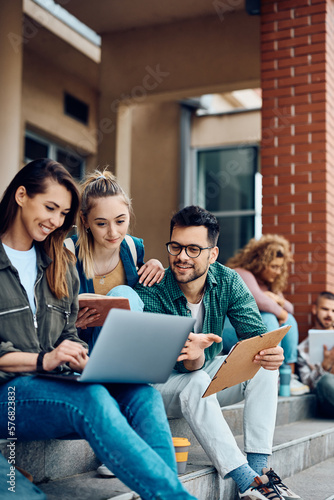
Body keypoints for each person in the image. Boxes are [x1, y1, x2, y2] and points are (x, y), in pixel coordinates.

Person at [0, 159, 198, 500]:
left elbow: (67, 333)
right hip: (12, 393)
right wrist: (44, 360)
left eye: (62, 213)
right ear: (21, 195)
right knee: (91, 398)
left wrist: (81, 356)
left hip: (56, 381)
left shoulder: (57, 261)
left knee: (144, 395)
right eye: (50, 207)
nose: (55, 221)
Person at [135, 205, 301, 500]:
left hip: (199, 375)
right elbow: (178, 365)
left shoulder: (227, 281)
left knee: (262, 362)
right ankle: (249, 482)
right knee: (196, 380)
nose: (182, 256)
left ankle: (260, 470)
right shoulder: (154, 285)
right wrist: (195, 355)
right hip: (157, 386)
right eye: (175, 246)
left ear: (212, 254)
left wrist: (270, 352)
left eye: (193, 249)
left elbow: (255, 336)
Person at [65, 169, 164, 352]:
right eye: (101, 224)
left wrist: (157, 265)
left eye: (120, 221)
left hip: (128, 346)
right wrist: (71, 324)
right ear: (85, 221)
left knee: (124, 293)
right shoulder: (67, 253)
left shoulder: (133, 248)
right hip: (81, 349)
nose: (113, 233)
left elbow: (142, 301)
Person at [225, 234, 309, 396]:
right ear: (260, 262)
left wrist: (276, 298)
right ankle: (272, 374)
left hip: (256, 333)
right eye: (274, 266)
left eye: (280, 267)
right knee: (270, 317)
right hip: (231, 329)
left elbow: (290, 309)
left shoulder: (269, 285)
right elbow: (257, 299)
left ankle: (287, 376)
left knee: (289, 320)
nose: (278, 272)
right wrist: (277, 307)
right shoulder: (242, 273)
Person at [297, 291, 334, 417]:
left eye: (333, 311)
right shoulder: (303, 349)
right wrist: (324, 367)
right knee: (325, 381)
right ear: (314, 309)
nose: (329, 314)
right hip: (327, 394)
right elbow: (308, 384)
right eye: (325, 309)